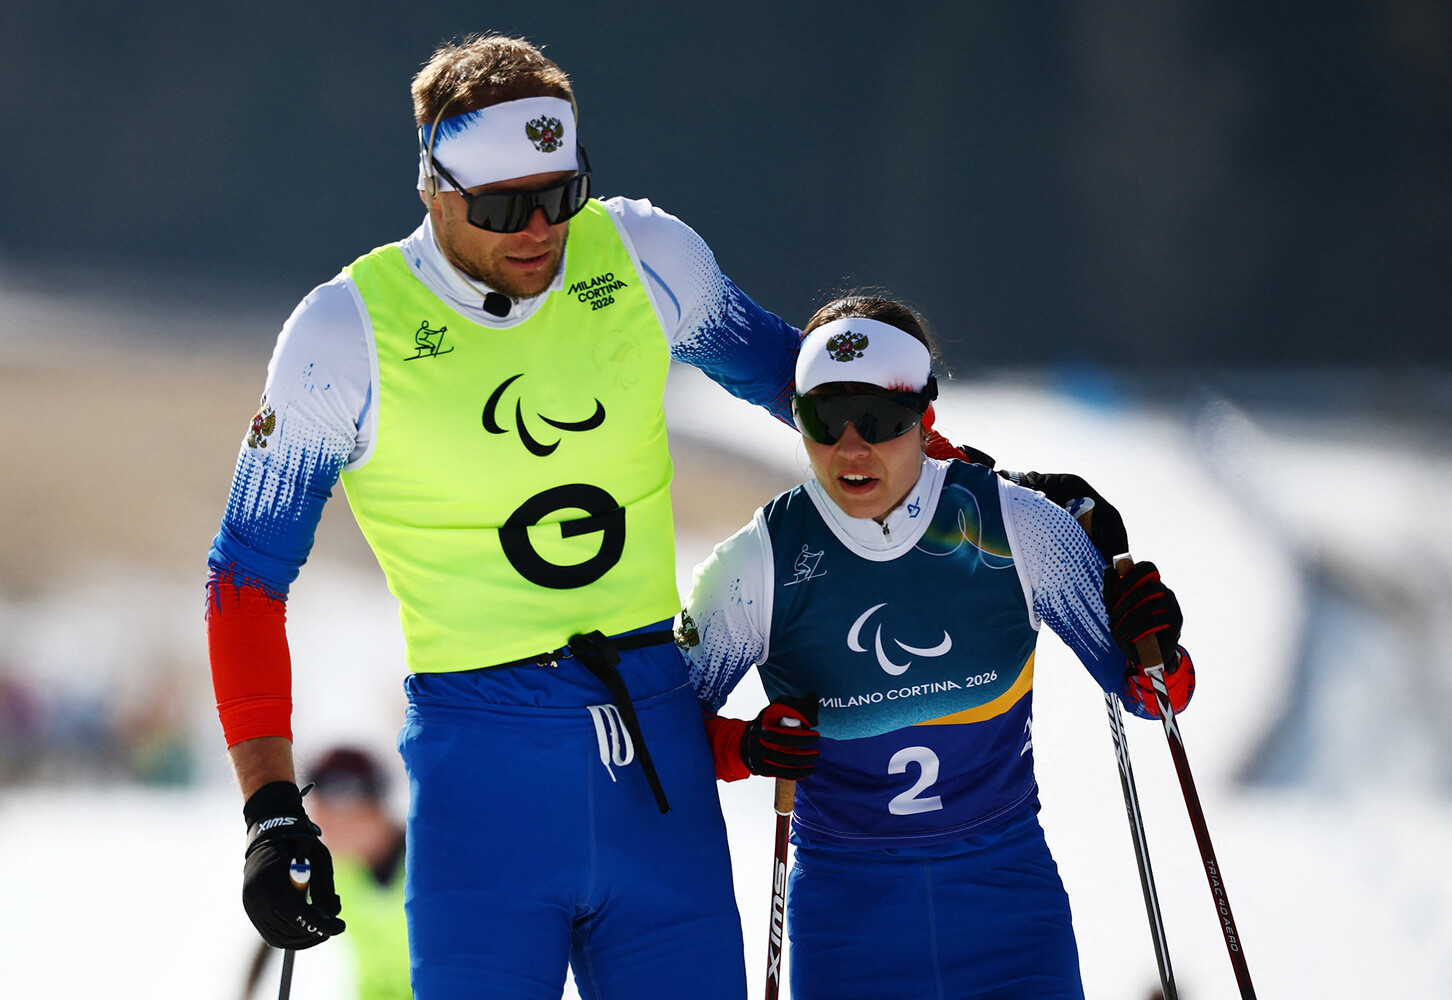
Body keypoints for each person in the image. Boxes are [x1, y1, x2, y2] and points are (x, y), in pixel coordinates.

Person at [205, 32, 811, 1000]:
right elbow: (244, 578)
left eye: (560, 195)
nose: (539, 229)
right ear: (433, 188)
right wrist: (272, 809)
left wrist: (983, 490)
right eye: (500, 207)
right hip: (482, 778)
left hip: (655, 759)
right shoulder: (346, 334)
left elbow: (822, 394)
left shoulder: (643, 255)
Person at [677, 294, 1196, 1000]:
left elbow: (1155, 696)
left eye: (879, 419)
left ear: (924, 417)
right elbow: (660, 734)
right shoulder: (758, 564)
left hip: (1009, 914)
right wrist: (746, 746)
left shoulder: (1016, 528)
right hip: (848, 928)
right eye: (824, 420)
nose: (851, 449)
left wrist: (1155, 637)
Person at [241, 747, 411, 1000]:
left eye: (332, 812)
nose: (322, 825)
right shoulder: (337, 872)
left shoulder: (430, 867)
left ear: (370, 806)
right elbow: (273, 930)